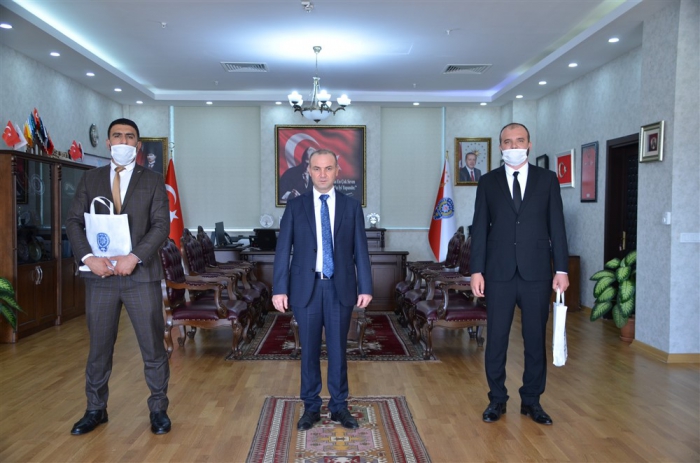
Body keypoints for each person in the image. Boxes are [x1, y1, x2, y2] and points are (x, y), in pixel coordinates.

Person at [65, 118, 172, 436]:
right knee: (99, 349)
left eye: (129, 137)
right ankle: (95, 409)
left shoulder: (152, 180)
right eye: (117, 136)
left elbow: (161, 226)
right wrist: (88, 258)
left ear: (137, 145)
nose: (123, 141)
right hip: (100, 277)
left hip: (141, 276)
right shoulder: (90, 178)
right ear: (108, 143)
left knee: (152, 347)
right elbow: (73, 221)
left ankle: (158, 410)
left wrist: (134, 257)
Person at [470, 122, 569, 426]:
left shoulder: (547, 180)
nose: (513, 146)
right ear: (500, 146)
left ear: (529, 144)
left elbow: (557, 226)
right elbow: (479, 228)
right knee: (496, 339)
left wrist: (561, 268)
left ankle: (532, 401)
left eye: (519, 141)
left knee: (535, 340)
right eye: (507, 142)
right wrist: (476, 270)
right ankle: (497, 399)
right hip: (498, 272)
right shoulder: (488, 182)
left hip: (537, 273)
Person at [272, 149, 373, 431]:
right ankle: (311, 407)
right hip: (306, 289)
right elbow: (283, 250)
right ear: (309, 171)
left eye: (328, 168)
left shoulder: (351, 207)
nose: (322, 174)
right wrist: (279, 288)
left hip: (340, 288)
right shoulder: (295, 206)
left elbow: (361, 250)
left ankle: (339, 407)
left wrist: (365, 286)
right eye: (316, 168)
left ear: (338, 171)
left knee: (339, 351)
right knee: (309, 351)